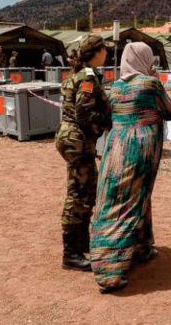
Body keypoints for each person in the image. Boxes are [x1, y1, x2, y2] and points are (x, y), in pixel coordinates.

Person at [90, 42, 171, 294]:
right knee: (127, 203)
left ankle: (141, 247)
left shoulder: (114, 87)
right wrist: (155, 80)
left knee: (122, 196)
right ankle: (108, 272)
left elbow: (108, 116)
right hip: (140, 149)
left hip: (115, 145)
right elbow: (170, 111)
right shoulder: (149, 84)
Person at [55, 35, 111, 272]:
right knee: (78, 193)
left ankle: (81, 242)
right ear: (97, 52)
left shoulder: (75, 75)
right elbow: (84, 112)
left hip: (72, 137)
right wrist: (105, 120)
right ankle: (71, 254)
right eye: (104, 49)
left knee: (87, 190)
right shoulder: (88, 76)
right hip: (77, 139)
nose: (106, 53)